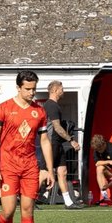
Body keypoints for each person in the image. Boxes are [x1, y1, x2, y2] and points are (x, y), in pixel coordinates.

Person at [0, 70, 54, 223]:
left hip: (30, 167)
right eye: (27, 89)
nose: (31, 92)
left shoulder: (40, 111)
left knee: (27, 210)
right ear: (18, 87)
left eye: (34, 89)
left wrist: (49, 170)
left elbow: (44, 140)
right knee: (7, 211)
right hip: (8, 165)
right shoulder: (3, 109)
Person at [42, 80, 82, 208]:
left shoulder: (55, 105)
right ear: (54, 90)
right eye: (61, 89)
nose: (63, 91)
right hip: (52, 143)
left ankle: (68, 202)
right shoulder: (51, 105)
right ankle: (29, 199)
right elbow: (57, 127)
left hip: (58, 144)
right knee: (44, 173)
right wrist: (71, 140)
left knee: (63, 171)